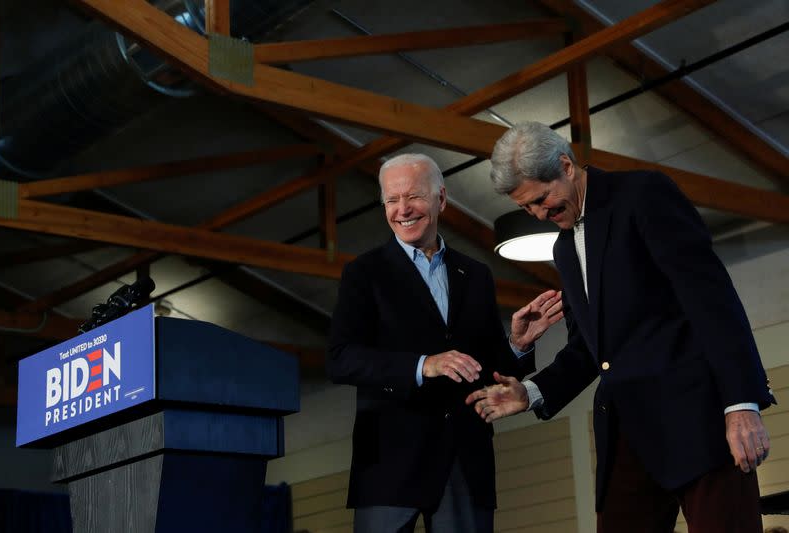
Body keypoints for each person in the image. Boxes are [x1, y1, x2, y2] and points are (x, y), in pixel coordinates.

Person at [467, 122, 775, 533]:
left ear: (566, 166)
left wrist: (742, 404)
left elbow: (711, 300)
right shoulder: (563, 248)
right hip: (627, 432)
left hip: (697, 420)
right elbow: (589, 350)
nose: (540, 214)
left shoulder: (643, 195)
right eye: (527, 208)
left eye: (542, 199)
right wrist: (533, 392)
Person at [327, 153, 563, 533]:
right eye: (392, 200)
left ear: (440, 199)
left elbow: (484, 369)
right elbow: (341, 359)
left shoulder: (476, 275)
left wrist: (517, 345)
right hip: (390, 464)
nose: (402, 209)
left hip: (464, 462)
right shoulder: (363, 274)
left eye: (414, 197)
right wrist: (424, 365)